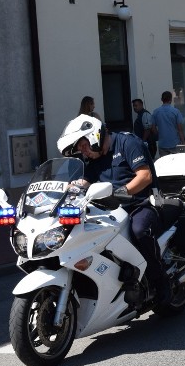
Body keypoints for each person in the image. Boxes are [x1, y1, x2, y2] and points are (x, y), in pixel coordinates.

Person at [56, 114, 172, 305]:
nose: (83, 152)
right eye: (80, 149)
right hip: (110, 211)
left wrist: (120, 193)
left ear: (94, 136)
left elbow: (144, 176)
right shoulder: (93, 160)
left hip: (140, 204)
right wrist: (68, 189)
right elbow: (86, 182)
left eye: (84, 146)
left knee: (139, 231)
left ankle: (160, 280)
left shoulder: (127, 143)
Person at [151, 90, 185, 156]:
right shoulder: (176, 111)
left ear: (161, 99)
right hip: (175, 143)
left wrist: (159, 135)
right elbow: (180, 129)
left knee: (164, 164)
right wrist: (183, 142)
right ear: (171, 99)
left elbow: (153, 128)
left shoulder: (156, 112)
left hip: (162, 144)